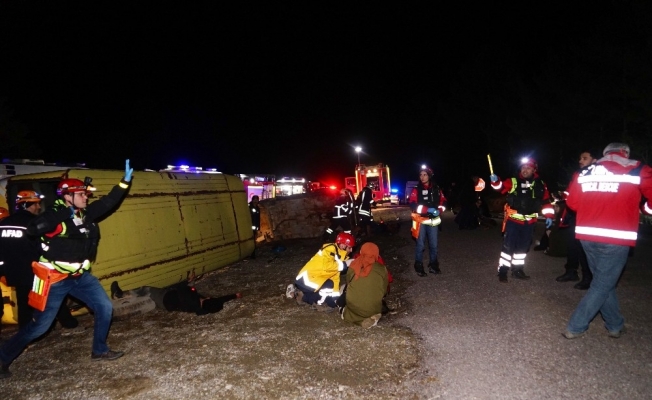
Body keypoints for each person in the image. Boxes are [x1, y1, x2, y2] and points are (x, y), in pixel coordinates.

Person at [0, 160, 133, 379]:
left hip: (81, 277)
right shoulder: (55, 217)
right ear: (68, 196)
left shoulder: (85, 215)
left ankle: (99, 351)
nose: (86, 197)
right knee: (39, 327)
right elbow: (35, 228)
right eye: (81, 194)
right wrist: (63, 213)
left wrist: (124, 183)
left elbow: (109, 202)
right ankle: (4, 356)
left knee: (105, 307)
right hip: (55, 279)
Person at [563, 143, 652, 339]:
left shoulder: (585, 172)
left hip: (586, 235)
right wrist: (646, 209)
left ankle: (614, 324)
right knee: (603, 284)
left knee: (603, 282)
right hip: (616, 237)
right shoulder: (638, 169)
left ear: (604, 154)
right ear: (626, 153)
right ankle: (575, 326)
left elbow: (572, 203)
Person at [0, 191, 81, 332]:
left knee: (24, 303)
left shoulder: (4, 224)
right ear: (29, 204)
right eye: (36, 203)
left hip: (15, 272)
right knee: (53, 296)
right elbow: (42, 247)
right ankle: (68, 323)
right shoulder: (34, 224)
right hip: (35, 270)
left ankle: (26, 333)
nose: (38, 207)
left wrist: (3, 271)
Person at [490, 157, 555, 282]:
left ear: (534, 170)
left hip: (530, 223)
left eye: (528, 168)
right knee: (508, 247)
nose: (525, 170)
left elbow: (546, 201)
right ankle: (503, 270)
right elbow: (500, 187)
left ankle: (517, 270)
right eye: (523, 167)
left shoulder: (541, 184)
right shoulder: (513, 181)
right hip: (513, 221)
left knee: (523, 248)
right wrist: (495, 181)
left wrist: (549, 216)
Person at [555, 149, 600, 289]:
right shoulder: (577, 174)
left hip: (589, 217)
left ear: (595, 160)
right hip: (574, 214)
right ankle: (570, 272)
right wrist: (564, 197)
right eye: (580, 158)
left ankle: (588, 277)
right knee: (572, 245)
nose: (580, 161)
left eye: (585, 158)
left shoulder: (600, 174)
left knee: (585, 248)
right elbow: (571, 191)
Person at [110, 276, 241, 316]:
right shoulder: (200, 307)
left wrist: (188, 282)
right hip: (167, 305)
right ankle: (118, 310)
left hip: (164, 298)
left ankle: (119, 295)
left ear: (208, 299)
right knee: (146, 303)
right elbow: (220, 301)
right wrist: (234, 295)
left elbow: (180, 289)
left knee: (146, 290)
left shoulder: (192, 299)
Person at [290, 232, 354, 311]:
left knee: (332, 303)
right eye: (349, 247)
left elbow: (335, 278)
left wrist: (335, 299)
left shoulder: (340, 256)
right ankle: (308, 300)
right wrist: (345, 264)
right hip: (306, 280)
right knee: (328, 285)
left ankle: (299, 293)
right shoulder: (330, 250)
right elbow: (327, 266)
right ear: (342, 245)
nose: (351, 250)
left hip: (315, 280)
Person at [336, 242, 388, 329]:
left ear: (361, 252)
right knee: (373, 305)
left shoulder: (353, 265)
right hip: (373, 308)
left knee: (342, 289)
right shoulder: (382, 269)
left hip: (354, 308)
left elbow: (348, 283)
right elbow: (384, 290)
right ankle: (374, 317)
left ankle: (356, 318)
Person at [409, 166, 447, 277]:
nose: (422, 177)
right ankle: (419, 266)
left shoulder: (437, 188)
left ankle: (433, 266)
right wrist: (426, 209)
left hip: (433, 221)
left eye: (425, 174)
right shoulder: (416, 189)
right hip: (420, 220)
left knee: (434, 245)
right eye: (420, 175)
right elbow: (412, 204)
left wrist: (439, 210)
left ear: (429, 176)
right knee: (420, 245)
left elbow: (443, 201)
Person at [249, 195, 260, 259]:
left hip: (255, 226)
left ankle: (253, 253)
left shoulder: (257, 207)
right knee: (252, 241)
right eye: (255, 199)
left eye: (257, 199)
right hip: (251, 227)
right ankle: (252, 254)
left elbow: (257, 218)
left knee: (254, 240)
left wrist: (258, 227)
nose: (256, 201)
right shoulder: (250, 207)